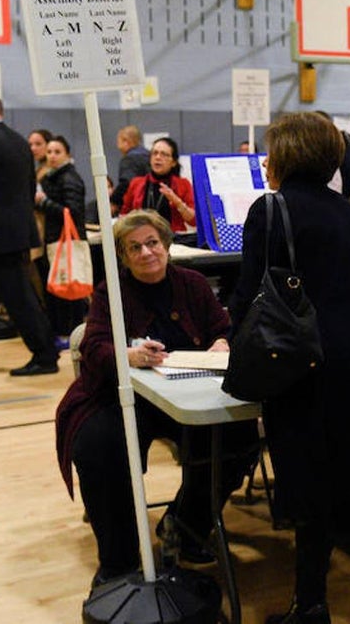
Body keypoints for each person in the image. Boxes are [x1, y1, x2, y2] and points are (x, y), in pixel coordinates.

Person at [229, 112, 350, 624]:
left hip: (308, 363)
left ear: (285, 156)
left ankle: (310, 605)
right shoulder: (346, 211)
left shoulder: (270, 210)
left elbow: (249, 296)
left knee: (314, 492)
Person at [55, 210, 260, 587]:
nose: (146, 253)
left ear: (166, 245)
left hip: (188, 392)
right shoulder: (110, 292)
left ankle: (186, 524)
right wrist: (128, 356)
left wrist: (221, 342)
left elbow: (224, 328)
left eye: (152, 243)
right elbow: (95, 344)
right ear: (122, 255)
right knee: (97, 446)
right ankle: (118, 561)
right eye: (134, 247)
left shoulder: (194, 283)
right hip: (126, 397)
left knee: (239, 438)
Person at [0, 91, 59, 376]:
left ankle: (45, 356)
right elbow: (30, 190)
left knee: (19, 300)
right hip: (17, 233)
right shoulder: (20, 142)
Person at [35, 134, 88, 350]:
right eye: (49, 152)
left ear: (68, 155)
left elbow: (72, 212)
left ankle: (71, 334)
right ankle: (61, 333)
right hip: (55, 241)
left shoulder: (69, 178)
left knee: (70, 291)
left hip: (66, 242)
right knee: (57, 291)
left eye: (57, 152)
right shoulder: (50, 177)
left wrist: (44, 202)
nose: (52, 156)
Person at [119, 136, 196, 232]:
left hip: (173, 240)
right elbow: (124, 215)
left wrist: (177, 202)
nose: (158, 157)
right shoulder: (136, 183)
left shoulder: (183, 184)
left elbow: (193, 221)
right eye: (154, 153)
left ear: (173, 162)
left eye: (164, 154)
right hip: (141, 237)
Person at [110, 125, 150, 215]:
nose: (118, 146)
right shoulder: (150, 156)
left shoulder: (129, 160)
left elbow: (126, 183)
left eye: (118, 141)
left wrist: (113, 201)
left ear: (126, 142)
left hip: (136, 208)